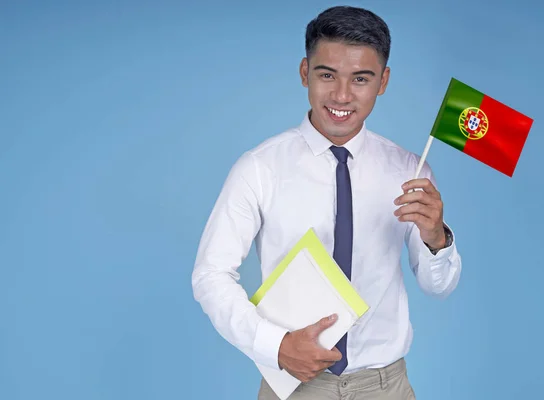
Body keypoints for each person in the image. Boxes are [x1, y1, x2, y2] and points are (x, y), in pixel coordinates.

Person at [192, 5, 462, 399]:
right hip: (296, 384)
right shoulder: (259, 168)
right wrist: (276, 345)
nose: (341, 95)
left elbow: (438, 287)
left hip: (385, 387)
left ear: (383, 81)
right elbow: (210, 276)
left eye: (361, 79)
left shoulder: (409, 170)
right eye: (326, 75)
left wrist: (437, 238)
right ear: (305, 72)